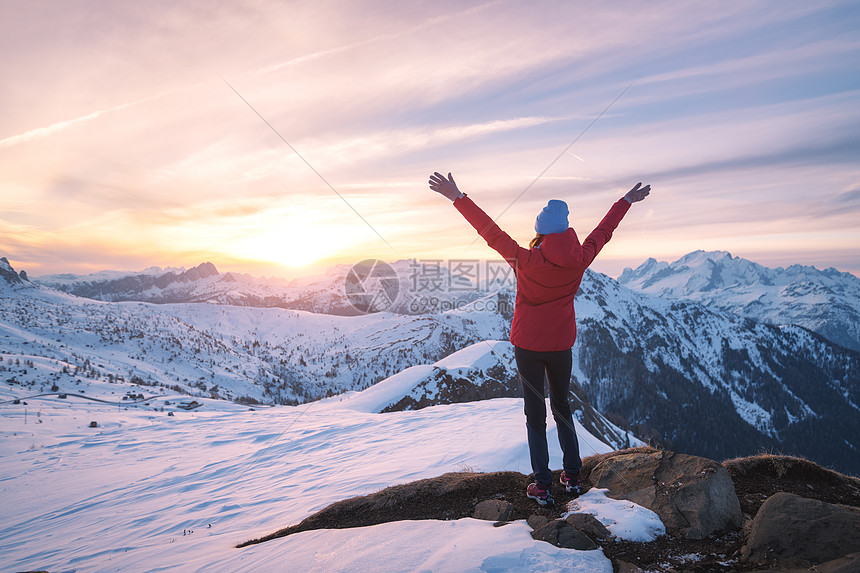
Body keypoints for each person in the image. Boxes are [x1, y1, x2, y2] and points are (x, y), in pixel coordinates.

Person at [428, 171, 650, 506]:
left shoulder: (525, 259)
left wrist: (457, 197)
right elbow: (603, 233)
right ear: (566, 232)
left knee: (535, 414)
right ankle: (573, 477)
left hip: (528, 347)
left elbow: (490, 232)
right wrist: (625, 202)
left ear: (541, 232)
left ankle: (543, 485)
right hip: (561, 345)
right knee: (562, 408)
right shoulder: (580, 258)